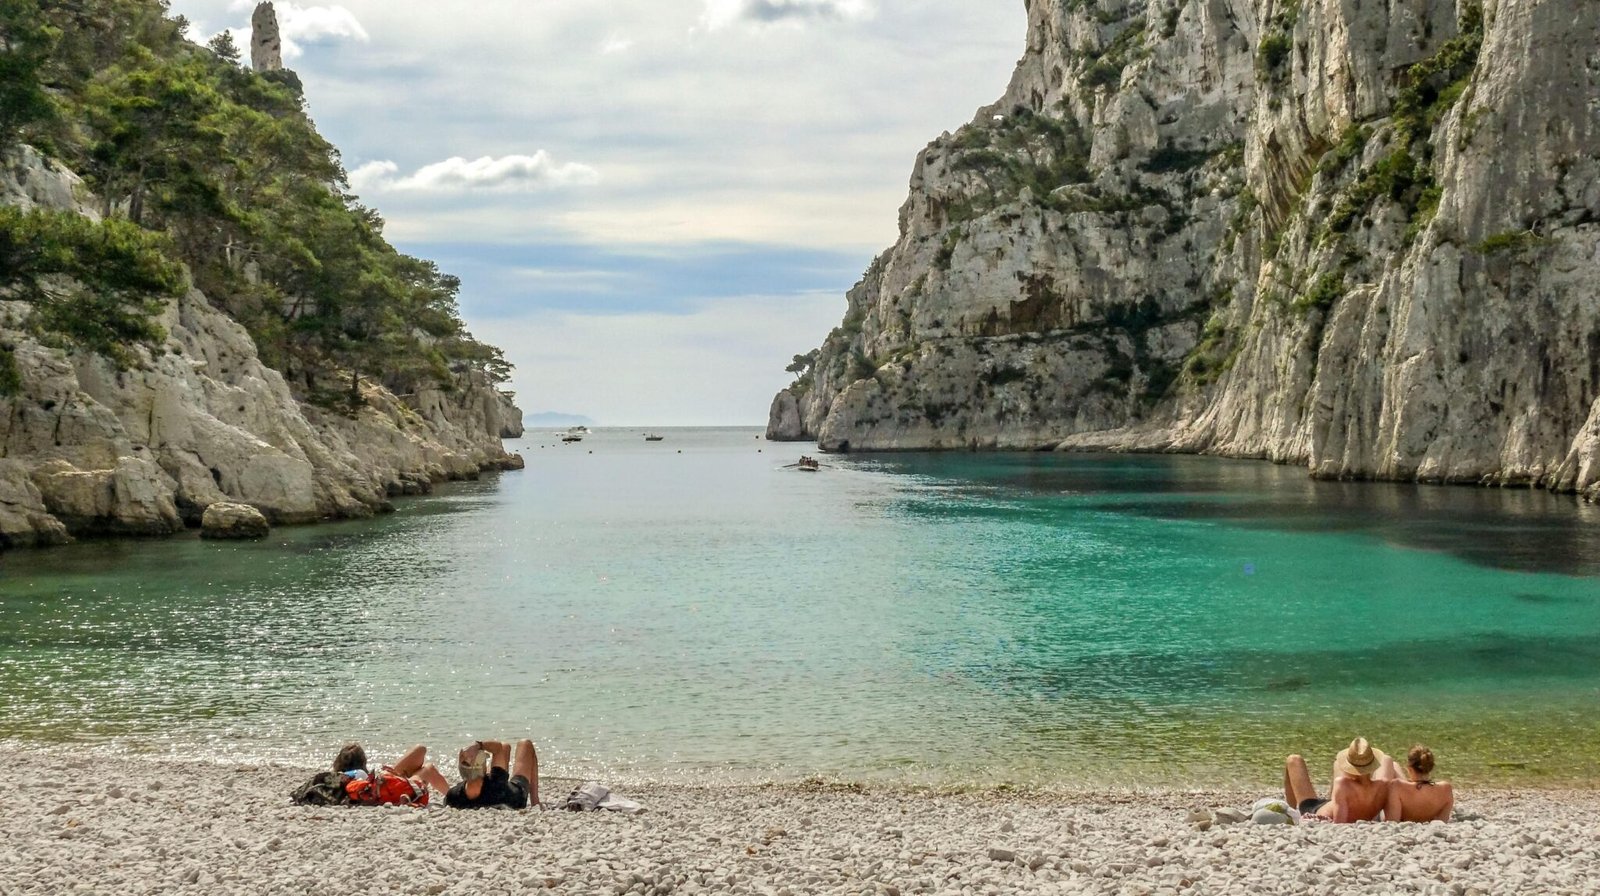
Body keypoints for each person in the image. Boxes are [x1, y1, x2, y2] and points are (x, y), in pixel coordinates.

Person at [1283, 736, 1390, 822]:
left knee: (1293, 760)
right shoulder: (1383, 786)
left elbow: (1338, 823)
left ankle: (1290, 811)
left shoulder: (1343, 784)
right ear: (1373, 765)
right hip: (1338, 804)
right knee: (1337, 764)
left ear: (1350, 767)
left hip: (1315, 809)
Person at [332, 742, 449, 806]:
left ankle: (453, 795)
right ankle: (453, 797)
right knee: (427, 766)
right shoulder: (360, 774)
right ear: (363, 761)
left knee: (421, 753)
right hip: (388, 789)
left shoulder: (338, 778)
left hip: (384, 786)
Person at [445, 738, 539, 810]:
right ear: (484, 767)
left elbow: (446, 802)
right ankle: (535, 802)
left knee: (505, 746)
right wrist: (478, 745)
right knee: (525, 744)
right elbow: (498, 748)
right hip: (514, 796)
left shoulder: (453, 795)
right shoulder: (496, 781)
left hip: (493, 794)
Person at [1378, 744, 1454, 822]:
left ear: (1410, 769)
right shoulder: (1446, 789)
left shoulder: (1397, 786)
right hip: (1423, 809)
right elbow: (1442, 821)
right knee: (1395, 765)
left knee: (1387, 760)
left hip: (1403, 810)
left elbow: (1392, 820)